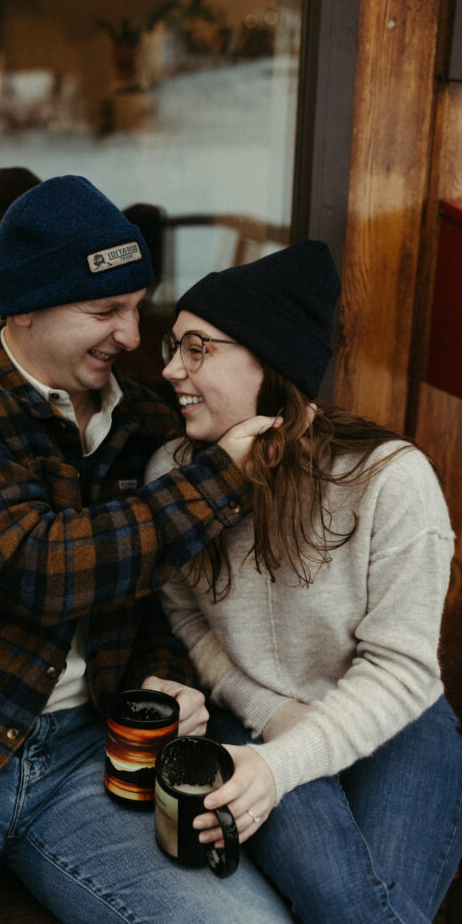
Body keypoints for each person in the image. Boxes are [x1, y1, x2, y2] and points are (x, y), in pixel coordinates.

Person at [0, 175, 293, 924]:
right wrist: (223, 476)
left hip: (88, 757)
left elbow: (162, 590)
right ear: (25, 307)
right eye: (105, 311)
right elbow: (40, 568)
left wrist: (164, 677)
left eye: (136, 309)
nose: (132, 338)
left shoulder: (144, 422)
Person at [147, 239, 462, 924]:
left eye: (198, 348)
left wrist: (278, 766)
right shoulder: (171, 474)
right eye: (172, 346)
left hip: (396, 718)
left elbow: (403, 670)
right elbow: (187, 619)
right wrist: (268, 715)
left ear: (270, 360)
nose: (171, 369)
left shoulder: (388, 479)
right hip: (252, 714)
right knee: (345, 903)